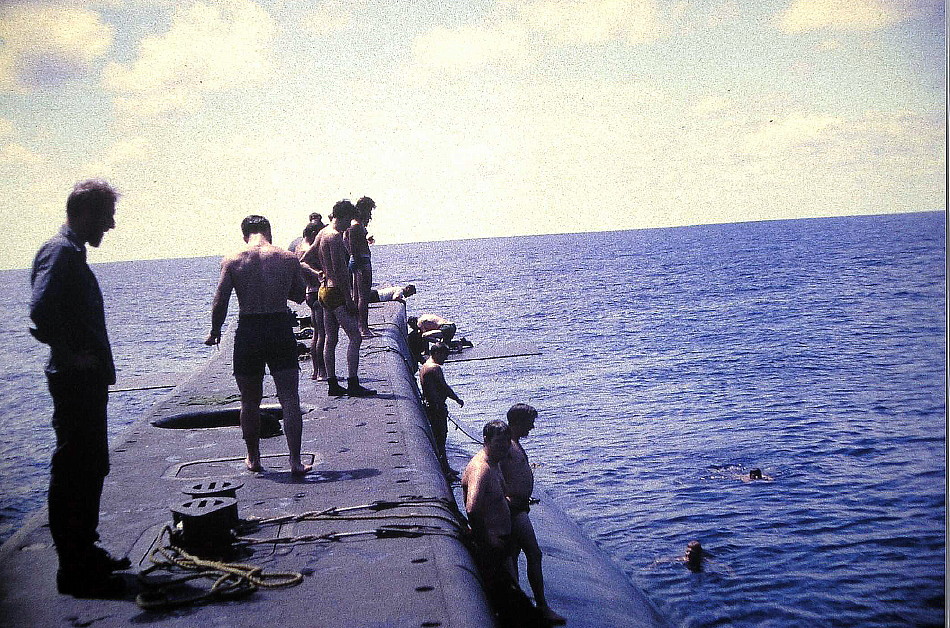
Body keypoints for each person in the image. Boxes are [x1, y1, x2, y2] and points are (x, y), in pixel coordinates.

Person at [30, 179, 129, 597]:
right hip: (74, 381)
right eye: (106, 215)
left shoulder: (72, 254)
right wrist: (70, 356)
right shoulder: (62, 252)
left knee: (89, 466)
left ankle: (85, 553)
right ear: (86, 211)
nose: (110, 224)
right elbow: (40, 311)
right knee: (75, 468)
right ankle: (74, 567)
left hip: (83, 380)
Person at [205, 215, 313, 476]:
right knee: (289, 397)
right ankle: (295, 461)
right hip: (278, 327)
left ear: (245, 235)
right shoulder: (287, 258)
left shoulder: (232, 260)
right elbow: (299, 295)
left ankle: (253, 458)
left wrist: (215, 331)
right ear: (268, 231)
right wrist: (277, 286)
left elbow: (220, 301)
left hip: (249, 330)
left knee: (249, 401)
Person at [499, 404, 566, 625]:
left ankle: (516, 603)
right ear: (518, 421)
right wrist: (506, 501)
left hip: (519, 507)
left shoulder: (512, 443)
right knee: (534, 554)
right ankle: (542, 607)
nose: (533, 427)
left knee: (514, 555)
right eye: (530, 422)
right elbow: (495, 474)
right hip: (514, 510)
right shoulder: (506, 445)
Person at [305, 200, 376, 397]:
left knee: (331, 339)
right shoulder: (335, 238)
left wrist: (319, 273)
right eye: (348, 220)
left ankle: (332, 383)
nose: (348, 226)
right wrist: (350, 300)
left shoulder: (322, 233)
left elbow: (304, 261)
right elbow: (342, 273)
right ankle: (353, 383)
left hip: (323, 291)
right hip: (336, 292)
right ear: (343, 217)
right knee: (355, 337)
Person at [461, 420, 513, 584]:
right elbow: (472, 509)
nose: (504, 446)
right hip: (492, 544)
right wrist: (486, 540)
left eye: (506, 442)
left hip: (502, 541)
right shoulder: (480, 469)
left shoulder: (494, 463)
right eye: (498, 442)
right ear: (486, 440)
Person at [419, 343, 463, 476]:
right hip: (436, 408)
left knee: (439, 439)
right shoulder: (434, 368)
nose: (446, 358)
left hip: (431, 406)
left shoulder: (425, 365)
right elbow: (445, 387)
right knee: (441, 438)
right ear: (437, 353)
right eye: (445, 355)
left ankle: (445, 467)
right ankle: (445, 470)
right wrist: (457, 399)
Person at [297, 221, 327, 381]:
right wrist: (318, 273)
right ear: (314, 232)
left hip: (309, 292)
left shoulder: (299, 247)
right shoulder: (307, 249)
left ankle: (316, 371)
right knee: (322, 334)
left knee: (316, 333)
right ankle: (322, 371)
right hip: (317, 292)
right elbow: (302, 264)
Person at [345, 196, 375, 338]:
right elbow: (349, 242)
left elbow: (347, 239)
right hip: (361, 261)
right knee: (363, 296)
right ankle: (364, 328)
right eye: (368, 210)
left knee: (358, 296)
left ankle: (360, 325)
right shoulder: (356, 225)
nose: (370, 214)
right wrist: (355, 259)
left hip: (359, 260)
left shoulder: (355, 224)